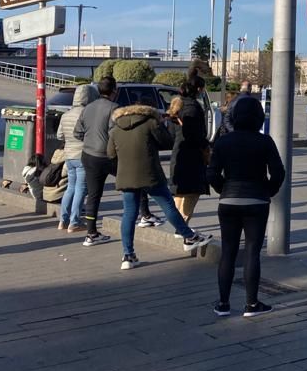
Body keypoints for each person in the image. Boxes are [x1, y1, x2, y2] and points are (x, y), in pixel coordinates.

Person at [107, 100, 212, 270]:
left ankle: (128, 255)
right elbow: (167, 142)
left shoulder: (116, 128)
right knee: (168, 206)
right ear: (145, 111)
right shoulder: (150, 122)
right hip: (150, 174)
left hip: (126, 176)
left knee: (129, 214)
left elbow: (110, 153)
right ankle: (189, 237)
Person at [208, 96, 286, 318]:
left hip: (228, 200)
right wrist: (267, 191)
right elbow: (278, 172)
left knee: (228, 252)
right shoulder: (264, 141)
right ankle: (252, 304)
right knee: (252, 251)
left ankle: (223, 303)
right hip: (257, 200)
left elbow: (212, 173)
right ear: (259, 117)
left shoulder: (224, 141)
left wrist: (223, 189)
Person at [74, 75, 120, 246]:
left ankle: (91, 232)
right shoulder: (114, 108)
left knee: (93, 194)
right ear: (114, 90)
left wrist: (89, 140)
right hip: (107, 156)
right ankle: (144, 214)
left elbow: (77, 133)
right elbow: (115, 132)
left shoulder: (88, 108)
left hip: (88, 155)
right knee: (131, 182)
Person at [57, 83, 99, 232]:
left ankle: (63, 220)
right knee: (81, 189)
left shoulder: (66, 115)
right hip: (82, 155)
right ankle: (74, 222)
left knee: (70, 188)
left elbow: (59, 135)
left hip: (69, 155)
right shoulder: (88, 114)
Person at [170, 82, 211, 223]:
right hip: (192, 157)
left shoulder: (176, 105)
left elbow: (171, 133)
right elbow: (196, 134)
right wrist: (205, 146)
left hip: (179, 153)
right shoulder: (193, 108)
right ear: (197, 90)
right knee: (191, 194)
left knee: (180, 194)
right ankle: (182, 229)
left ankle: (179, 226)